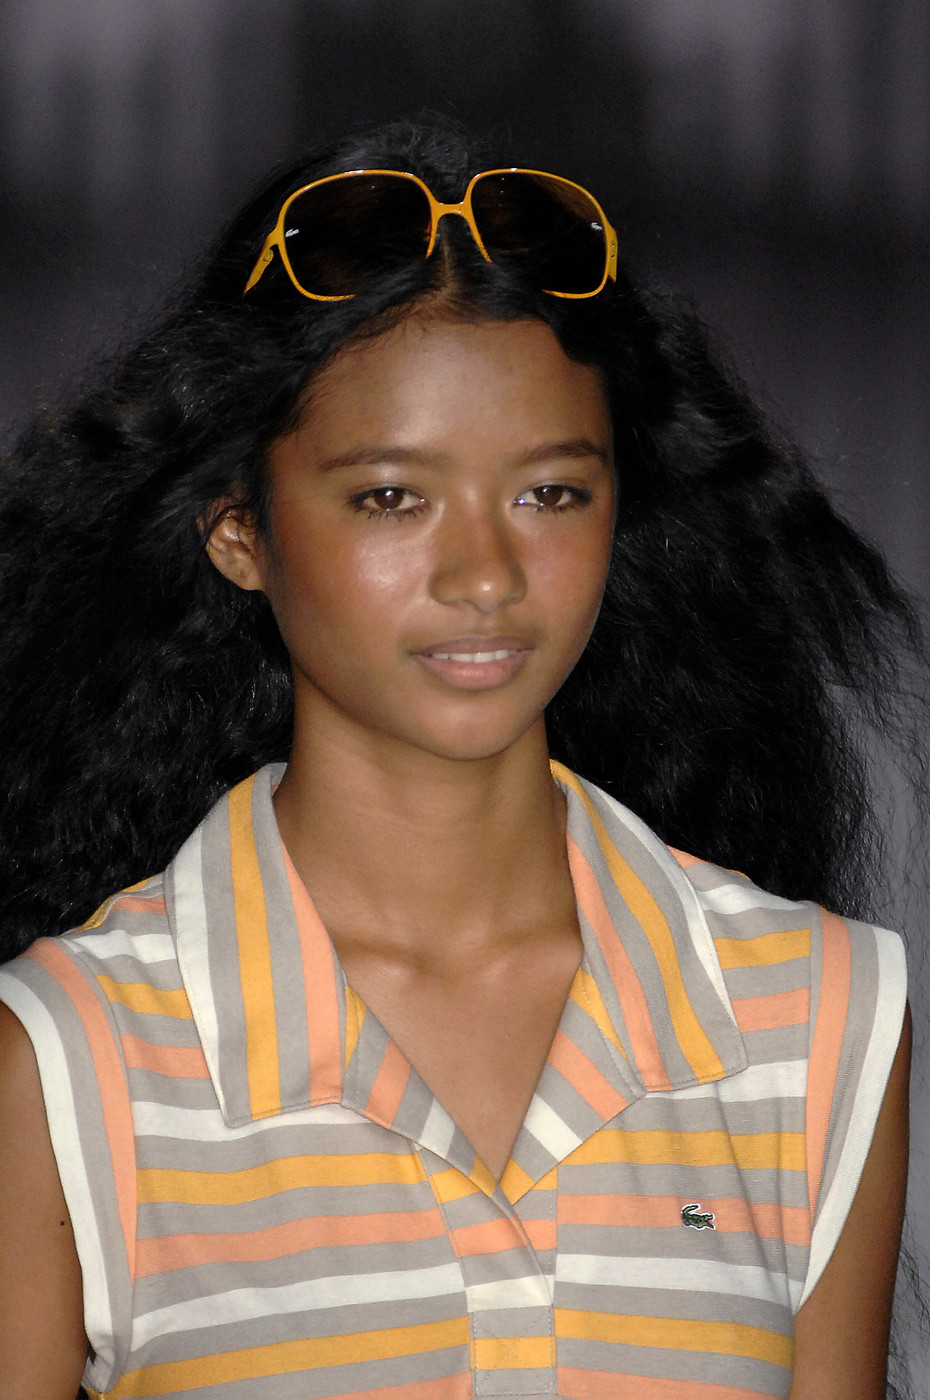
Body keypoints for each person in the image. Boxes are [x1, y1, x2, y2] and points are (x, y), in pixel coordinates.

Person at [0, 119, 922, 1400]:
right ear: (237, 530)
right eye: (392, 496)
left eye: (551, 492)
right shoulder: (71, 1058)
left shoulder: (816, 1014)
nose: (486, 574)